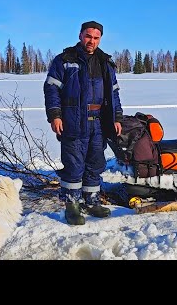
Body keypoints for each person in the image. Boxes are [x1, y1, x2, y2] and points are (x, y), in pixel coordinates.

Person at [44, 20, 123, 225]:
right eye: (88, 36)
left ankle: (91, 201)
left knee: (95, 163)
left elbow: (114, 94)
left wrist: (117, 118)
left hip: (98, 122)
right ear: (80, 35)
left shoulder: (105, 63)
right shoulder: (65, 60)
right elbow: (51, 89)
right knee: (74, 163)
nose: (92, 41)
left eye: (96, 38)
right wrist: (55, 115)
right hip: (73, 120)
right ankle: (72, 204)